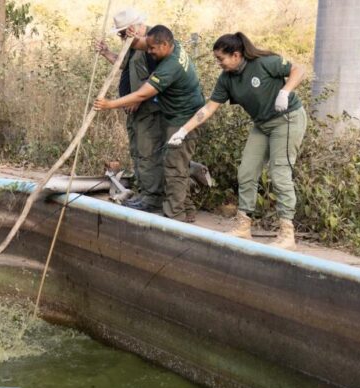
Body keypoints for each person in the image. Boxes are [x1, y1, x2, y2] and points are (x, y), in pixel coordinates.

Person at [165, 32, 307, 250]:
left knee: (280, 174)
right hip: (262, 124)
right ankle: (243, 226)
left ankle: (287, 234)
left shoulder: (265, 63)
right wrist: (183, 130)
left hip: (287, 120)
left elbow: (299, 69)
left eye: (221, 59)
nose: (219, 64)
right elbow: (208, 108)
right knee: (246, 172)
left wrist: (285, 92)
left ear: (236, 55)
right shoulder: (226, 80)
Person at [94, 25, 205, 222]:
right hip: (176, 116)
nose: (150, 52)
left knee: (174, 166)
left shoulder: (170, 65)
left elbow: (144, 92)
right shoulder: (167, 43)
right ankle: (186, 210)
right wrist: (126, 40)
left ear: (163, 45)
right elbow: (141, 46)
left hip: (183, 118)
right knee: (176, 164)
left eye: (152, 49)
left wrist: (109, 104)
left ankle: (175, 216)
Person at [95, 8, 163, 212]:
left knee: (147, 153)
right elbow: (125, 64)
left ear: (134, 28)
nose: (121, 37)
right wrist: (106, 52)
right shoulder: (133, 44)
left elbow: (159, 76)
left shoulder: (153, 43)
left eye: (122, 33)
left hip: (147, 109)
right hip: (133, 110)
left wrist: (139, 99)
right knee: (137, 150)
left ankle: (152, 199)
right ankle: (144, 192)